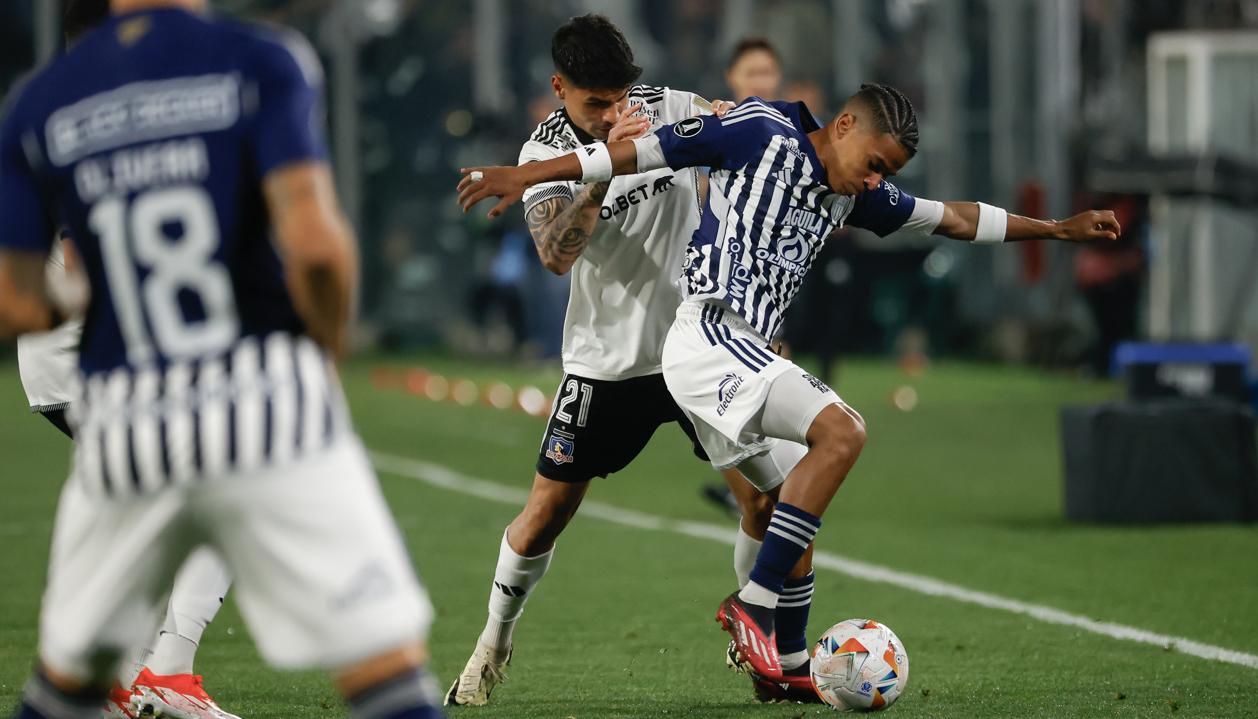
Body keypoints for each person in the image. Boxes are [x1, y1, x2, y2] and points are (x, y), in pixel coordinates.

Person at [457, 83, 1120, 696]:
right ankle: (754, 602)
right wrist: (525, 174)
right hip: (706, 337)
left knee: (790, 497)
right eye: (875, 161)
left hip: (737, 351)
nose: (876, 178)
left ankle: (792, 666)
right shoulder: (759, 130)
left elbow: (951, 218)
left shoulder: (852, 194)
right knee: (841, 432)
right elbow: (633, 153)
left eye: (887, 172)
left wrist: (1058, 229)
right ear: (847, 123)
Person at [0, 2, 443, 718]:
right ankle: (168, 672)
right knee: (386, 672)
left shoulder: (41, 104)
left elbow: (15, 302)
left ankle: (151, 673)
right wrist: (322, 352)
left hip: (125, 418)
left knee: (63, 690)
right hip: (262, 400)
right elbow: (318, 247)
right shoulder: (261, 60)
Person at [444, 14, 812, 707]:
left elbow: (741, 149)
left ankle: (758, 642)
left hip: (699, 347)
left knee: (766, 498)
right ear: (560, 88)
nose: (615, 113)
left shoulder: (670, 110)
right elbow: (556, 254)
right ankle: (493, 639)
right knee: (546, 512)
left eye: (621, 97)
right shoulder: (541, 150)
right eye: (596, 102)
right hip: (607, 362)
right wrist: (606, 170)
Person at [14, 5, 239, 718]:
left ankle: (120, 681)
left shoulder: (45, 107)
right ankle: (168, 672)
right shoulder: (98, 111)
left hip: (63, 361)